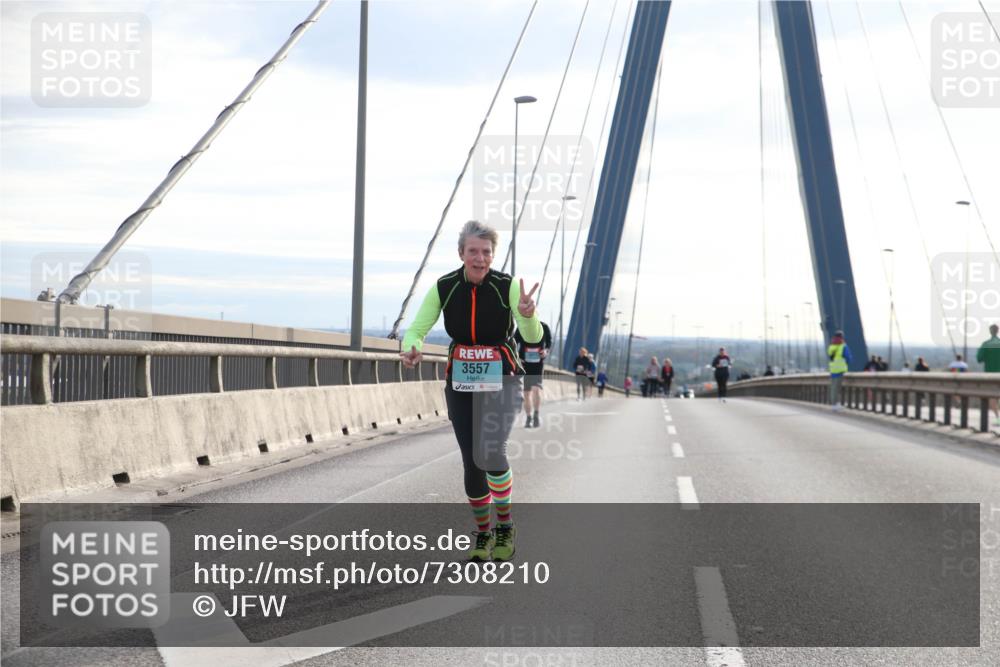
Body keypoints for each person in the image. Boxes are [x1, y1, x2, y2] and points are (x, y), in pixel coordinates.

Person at [400, 220, 541, 562]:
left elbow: (533, 337)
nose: (480, 258)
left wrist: (527, 314)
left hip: (502, 378)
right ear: (461, 253)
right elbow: (417, 328)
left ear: (493, 255)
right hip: (460, 380)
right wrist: (412, 346)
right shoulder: (445, 287)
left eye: (486, 252)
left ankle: (505, 525)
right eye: (473, 251)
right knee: (472, 462)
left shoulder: (507, 286)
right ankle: (482, 534)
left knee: (490, 453)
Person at [514, 321, 552, 428]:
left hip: (538, 364)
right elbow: (513, 342)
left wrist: (546, 351)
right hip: (524, 364)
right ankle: (528, 418)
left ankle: (536, 415)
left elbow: (549, 341)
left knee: (536, 389)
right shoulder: (521, 326)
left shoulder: (544, 326)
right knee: (526, 393)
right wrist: (517, 358)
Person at [976, 323, 1000, 425]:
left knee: (992, 397)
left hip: (990, 376)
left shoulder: (986, 344)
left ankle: (998, 417)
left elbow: (979, 359)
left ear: (990, 331)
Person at [827, 329, 853, 411]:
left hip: (833, 370)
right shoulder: (843, 346)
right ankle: (835, 405)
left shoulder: (831, 346)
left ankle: (835, 404)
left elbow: (830, 356)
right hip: (840, 370)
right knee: (838, 388)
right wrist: (847, 363)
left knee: (833, 387)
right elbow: (849, 358)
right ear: (842, 337)